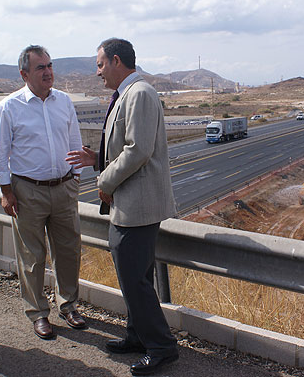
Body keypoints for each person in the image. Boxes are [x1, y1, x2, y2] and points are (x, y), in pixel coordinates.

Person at [66, 38, 178, 376]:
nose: (97, 72)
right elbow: (123, 147)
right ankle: (137, 335)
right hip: (131, 204)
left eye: (100, 64)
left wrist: (104, 181)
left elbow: (137, 150)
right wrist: (98, 160)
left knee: (133, 279)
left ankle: (161, 347)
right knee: (137, 276)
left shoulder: (139, 93)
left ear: (116, 61)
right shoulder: (127, 94)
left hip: (138, 205)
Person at [0, 45, 85, 340]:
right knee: (32, 256)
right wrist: (6, 191)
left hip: (63, 188)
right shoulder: (9, 107)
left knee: (68, 251)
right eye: (40, 67)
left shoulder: (64, 101)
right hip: (27, 191)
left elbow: (74, 139)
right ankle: (37, 312)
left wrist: (75, 177)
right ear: (24, 73)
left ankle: (68, 305)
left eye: (50, 65)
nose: (48, 72)